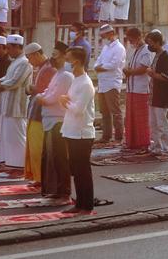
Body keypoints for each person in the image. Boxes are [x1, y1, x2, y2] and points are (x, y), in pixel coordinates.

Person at [60, 46, 101, 212]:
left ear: (76, 62)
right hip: (71, 130)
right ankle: (80, 203)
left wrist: (65, 102)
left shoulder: (85, 83)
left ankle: (87, 204)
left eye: (68, 60)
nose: (66, 63)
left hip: (82, 133)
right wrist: (66, 102)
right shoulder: (75, 80)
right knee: (76, 171)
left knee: (83, 171)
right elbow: (70, 104)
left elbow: (78, 109)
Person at [37, 43, 74, 201]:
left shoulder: (66, 75)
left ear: (65, 55)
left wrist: (40, 98)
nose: (52, 58)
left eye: (56, 54)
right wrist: (42, 97)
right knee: (51, 158)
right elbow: (47, 91)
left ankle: (63, 191)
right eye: (52, 54)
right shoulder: (57, 74)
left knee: (60, 159)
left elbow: (53, 98)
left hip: (58, 121)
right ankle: (56, 189)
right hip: (50, 121)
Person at [0, 35, 33, 168]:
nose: (8, 51)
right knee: (9, 137)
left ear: (17, 47)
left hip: (17, 106)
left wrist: (0, 85)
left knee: (18, 137)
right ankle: (11, 163)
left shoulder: (25, 62)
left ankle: (22, 164)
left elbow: (15, 82)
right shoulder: (15, 61)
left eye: (10, 48)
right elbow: (6, 78)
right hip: (8, 105)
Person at [22, 43, 51, 181]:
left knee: (38, 149)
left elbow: (44, 91)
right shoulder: (42, 68)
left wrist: (30, 89)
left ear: (36, 54)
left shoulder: (48, 69)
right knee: (33, 148)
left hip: (41, 114)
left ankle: (41, 179)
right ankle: (38, 178)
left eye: (29, 57)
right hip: (35, 111)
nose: (29, 61)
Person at [94, 23, 126, 144]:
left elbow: (114, 65)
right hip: (103, 83)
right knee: (104, 111)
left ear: (111, 34)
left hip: (112, 83)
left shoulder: (119, 48)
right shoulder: (106, 47)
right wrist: (99, 67)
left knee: (115, 111)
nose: (103, 38)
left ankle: (118, 136)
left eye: (104, 35)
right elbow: (98, 62)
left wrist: (100, 68)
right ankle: (106, 136)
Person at [123, 27, 154, 151]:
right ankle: (132, 141)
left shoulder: (146, 50)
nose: (131, 42)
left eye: (132, 40)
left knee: (141, 118)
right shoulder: (134, 50)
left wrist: (131, 72)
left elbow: (143, 68)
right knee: (131, 117)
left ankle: (143, 142)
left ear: (138, 37)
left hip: (141, 89)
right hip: (131, 88)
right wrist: (127, 70)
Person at [144, 31, 168, 158]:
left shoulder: (165, 57)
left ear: (157, 43)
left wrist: (152, 74)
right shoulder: (156, 55)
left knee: (162, 124)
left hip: (161, 95)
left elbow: (165, 77)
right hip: (153, 95)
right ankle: (156, 147)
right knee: (153, 123)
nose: (149, 46)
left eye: (151, 43)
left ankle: (166, 149)